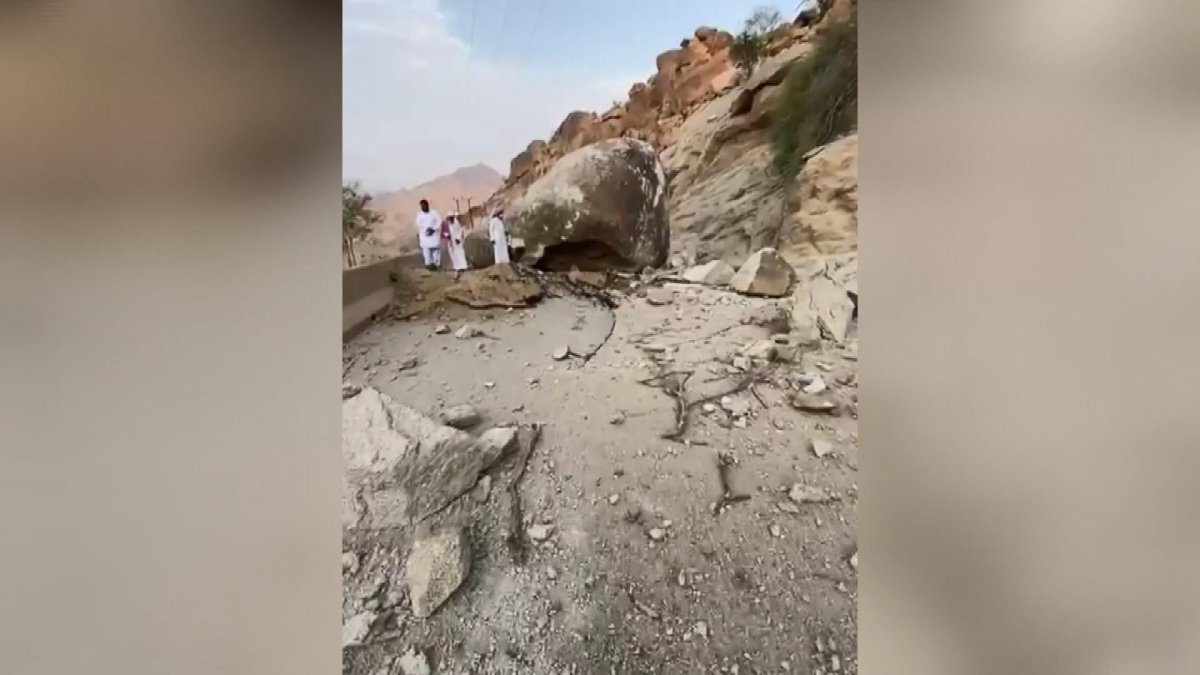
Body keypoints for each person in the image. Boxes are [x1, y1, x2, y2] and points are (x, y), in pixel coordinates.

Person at [414, 199, 441, 270]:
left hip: (434, 235)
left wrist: (433, 229)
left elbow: (439, 222)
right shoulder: (419, 215)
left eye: (424, 205)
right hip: (424, 236)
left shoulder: (434, 213)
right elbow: (418, 224)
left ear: (427, 205)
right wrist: (425, 230)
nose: (423, 207)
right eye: (422, 206)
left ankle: (436, 264)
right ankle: (428, 264)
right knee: (426, 250)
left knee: (435, 250)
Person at [445, 212, 469, 277]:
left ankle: (463, 267)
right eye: (449, 218)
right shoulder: (447, 225)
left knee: (460, 253)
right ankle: (457, 267)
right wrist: (447, 236)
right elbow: (445, 232)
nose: (451, 219)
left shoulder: (456, 223)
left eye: (451, 218)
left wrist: (458, 238)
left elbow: (460, 230)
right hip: (451, 242)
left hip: (457, 241)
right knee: (453, 254)